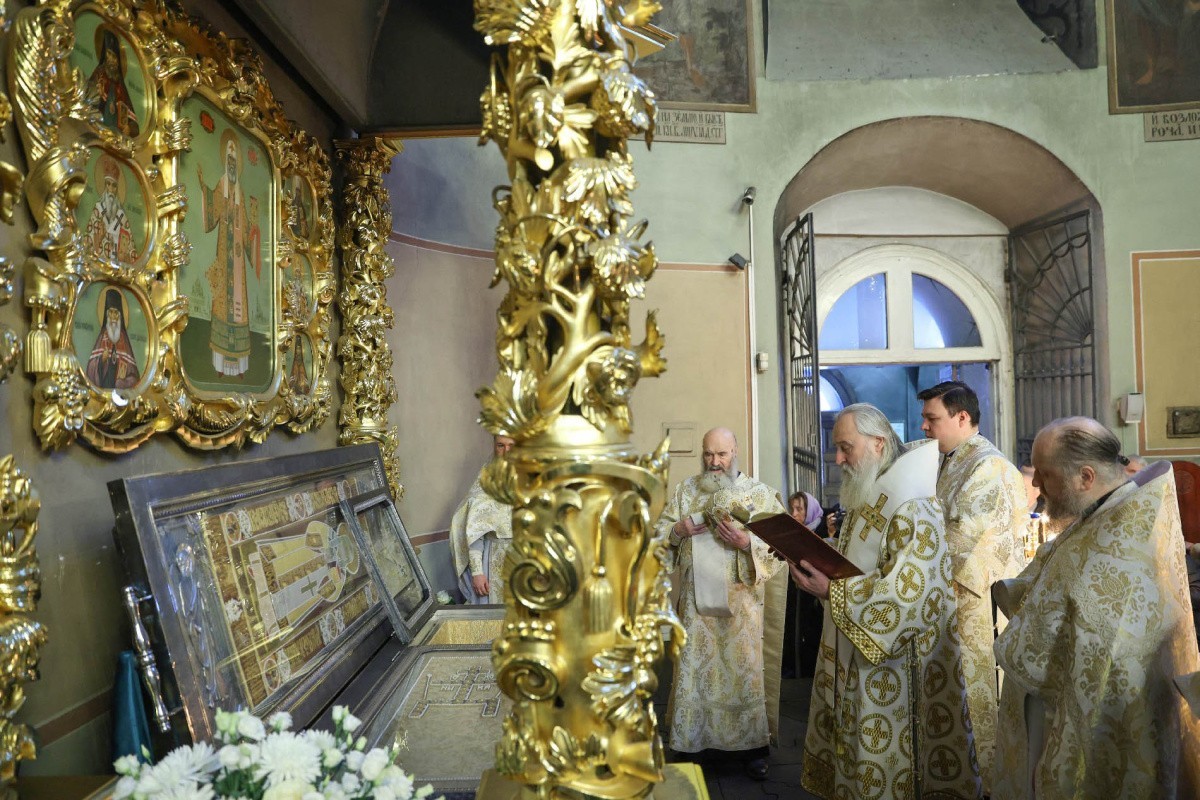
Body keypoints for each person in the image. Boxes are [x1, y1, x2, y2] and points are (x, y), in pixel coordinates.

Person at [993, 417, 1200, 798]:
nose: (1037, 486)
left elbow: (1093, 628)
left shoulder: (1123, 541)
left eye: (1045, 474)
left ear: (1085, 477)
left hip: (1104, 717)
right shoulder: (1105, 513)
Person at [791, 403, 981, 800]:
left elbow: (911, 594)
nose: (838, 459)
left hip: (896, 671)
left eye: (846, 447)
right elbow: (862, 562)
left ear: (878, 443)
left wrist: (832, 590)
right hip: (859, 656)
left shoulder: (913, 503)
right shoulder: (873, 492)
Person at [655, 427, 785, 780]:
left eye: (722, 454)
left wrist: (747, 544)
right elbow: (659, 538)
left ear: (735, 452)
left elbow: (781, 547)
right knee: (696, 672)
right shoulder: (686, 491)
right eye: (708, 454)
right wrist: (678, 531)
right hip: (696, 612)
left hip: (742, 611)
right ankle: (691, 744)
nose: (714, 462)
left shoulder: (760, 495)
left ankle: (752, 750)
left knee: (742, 675)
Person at [917, 380, 1027, 791]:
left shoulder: (987, 467)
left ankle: (981, 786)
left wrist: (909, 559)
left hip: (973, 606)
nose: (924, 427)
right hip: (946, 599)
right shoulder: (949, 460)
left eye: (932, 418)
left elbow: (962, 539)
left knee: (971, 704)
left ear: (962, 417)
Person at [196, 130, 261, 378]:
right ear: (226, 162)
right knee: (222, 305)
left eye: (235, 161)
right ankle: (221, 365)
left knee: (239, 307)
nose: (232, 165)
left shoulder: (240, 192)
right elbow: (212, 211)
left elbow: (246, 228)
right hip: (225, 255)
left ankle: (240, 367)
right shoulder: (222, 185)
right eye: (229, 161)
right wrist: (204, 188)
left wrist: (253, 231)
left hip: (238, 260)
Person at [448, 435, 515, 603]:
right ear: (494, 446)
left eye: (511, 445)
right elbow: (475, 533)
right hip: (494, 564)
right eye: (500, 445)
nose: (506, 451)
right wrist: (477, 573)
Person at [86, 27, 139, 137]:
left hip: (116, 137)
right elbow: (86, 100)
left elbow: (133, 123)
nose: (112, 62)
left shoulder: (120, 85)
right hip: (96, 129)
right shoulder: (99, 75)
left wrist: (129, 128)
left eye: (114, 58)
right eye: (109, 57)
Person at [85, 154, 136, 264]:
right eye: (108, 184)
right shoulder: (98, 210)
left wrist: (125, 256)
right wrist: (98, 240)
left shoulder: (122, 216)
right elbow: (87, 243)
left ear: (117, 188)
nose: (111, 190)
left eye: (114, 186)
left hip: (117, 268)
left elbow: (131, 250)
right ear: (105, 186)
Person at [86, 287, 140, 389]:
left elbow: (134, 377)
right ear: (107, 315)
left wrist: (123, 383)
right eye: (111, 312)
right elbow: (90, 370)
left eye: (116, 313)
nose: (113, 317)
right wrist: (101, 360)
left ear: (120, 316)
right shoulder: (102, 337)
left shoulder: (124, 340)